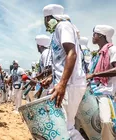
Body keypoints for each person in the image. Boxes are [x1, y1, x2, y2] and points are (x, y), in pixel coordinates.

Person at [43, 4, 86, 139]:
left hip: (70, 84)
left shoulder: (63, 26)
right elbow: (62, 60)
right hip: (66, 83)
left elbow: (72, 54)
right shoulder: (59, 29)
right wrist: (52, 77)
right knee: (65, 126)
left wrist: (62, 83)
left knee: (65, 128)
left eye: (45, 20)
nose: (45, 24)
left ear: (50, 18)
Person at [87, 25, 116, 139]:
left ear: (100, 36)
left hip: (105, 92)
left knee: (105, 121)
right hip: (92, 91)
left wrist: (95, 75)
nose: (92, 37)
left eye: (94, 34)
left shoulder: (112, 50)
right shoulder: (97, 54)